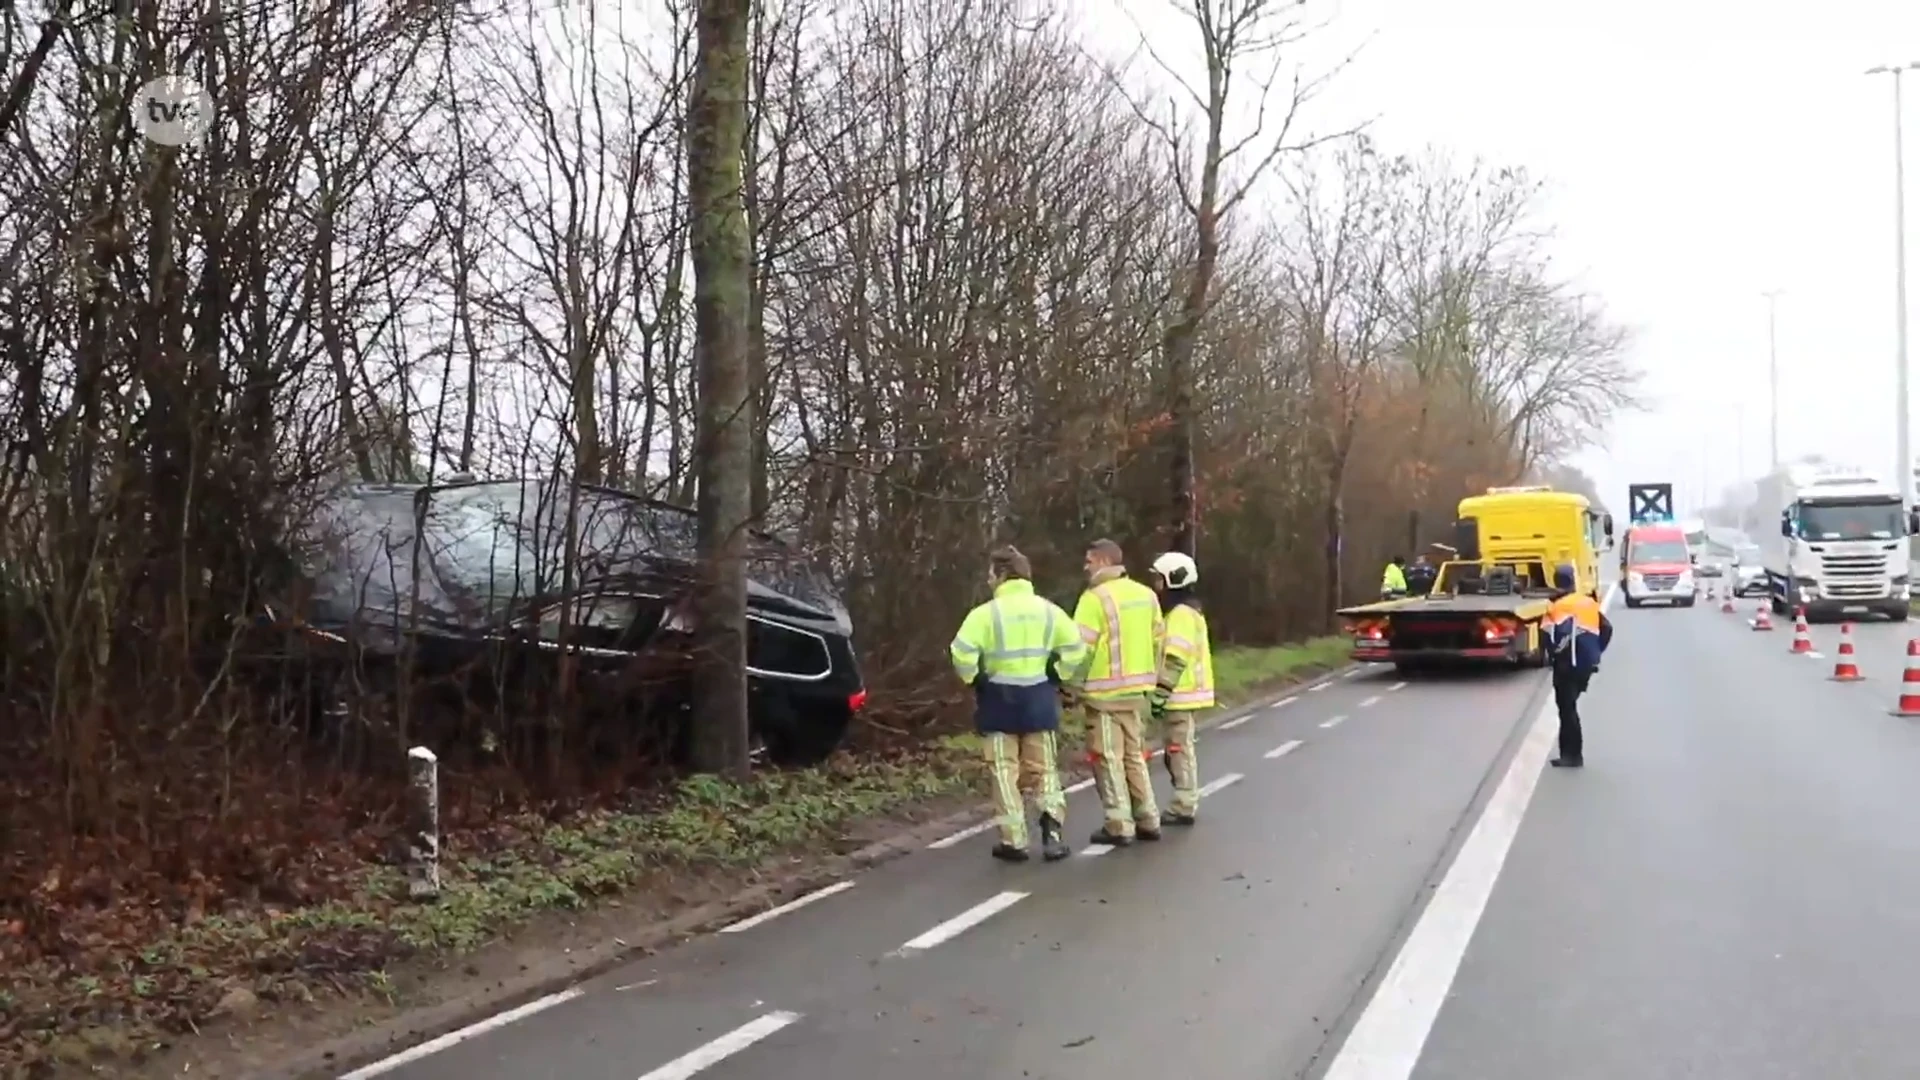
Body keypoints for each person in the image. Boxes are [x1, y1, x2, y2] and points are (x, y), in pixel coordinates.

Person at [949, 545, 1087, 862]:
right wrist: (1057, 673)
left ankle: (1014, 840)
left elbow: (961, 652)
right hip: (1038, 698)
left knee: (1004, 772)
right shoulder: (1049, 610)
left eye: (990, 573)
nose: (987, 579)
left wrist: (974, 678)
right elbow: (1075, 647)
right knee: (1044, 771)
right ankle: (1052, 833)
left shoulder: (985, 614)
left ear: (1000, 574)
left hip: (997, 701)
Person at [1066, 538, 1164, 846]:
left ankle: (1119, 824)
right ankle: (1148, 818)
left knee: (1108, 757)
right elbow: (1160, 643)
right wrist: (1153, 679)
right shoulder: (1146, 595)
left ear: (1104, 562)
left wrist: (1069, 686)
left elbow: (1079, 650)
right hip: (1138, 692)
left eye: (1089, 560)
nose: (1086, 566)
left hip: (1104, 695)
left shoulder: (1094, 599)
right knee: (1134, 756)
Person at [1147, 551, 1212, 825]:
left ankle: (1184, 804)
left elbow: (1175, 657)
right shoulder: (1184, 612)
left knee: (1179, 750)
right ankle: (1183, 799)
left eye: (1159, 580)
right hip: (1182, 694)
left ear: (1173, 579)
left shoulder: (1181, 615)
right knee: (1176, 749)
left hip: (1180, 695)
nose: (1156, 586)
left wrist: (1161, 692)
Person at [1543, 563, 1612, 768]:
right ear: (1573, 580)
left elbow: (1549, 638)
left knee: (1566, 709)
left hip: (1566, 665)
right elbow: (1607, 628)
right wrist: (1596, 651)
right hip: (1585, 664)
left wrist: (1553, 657)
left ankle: (1572, 755)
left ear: (1556, 582)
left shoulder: (1556, 607)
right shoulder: (1588, 603)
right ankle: (1572, 754)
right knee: (1570, 706)